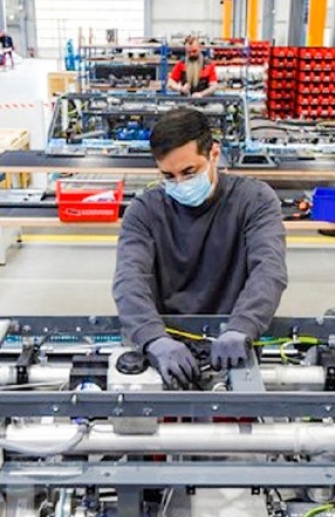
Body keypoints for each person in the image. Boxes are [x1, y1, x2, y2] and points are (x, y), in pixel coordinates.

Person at [113, 108, 288, 387]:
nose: (180, 184)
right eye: (168, 176)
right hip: (163, 350)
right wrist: (153, 337)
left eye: (189, 171)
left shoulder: (255, 201)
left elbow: (269, 271)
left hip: (232, 345)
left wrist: (243, 326)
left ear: (214, 154)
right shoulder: (144, 210)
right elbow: (129, 279)